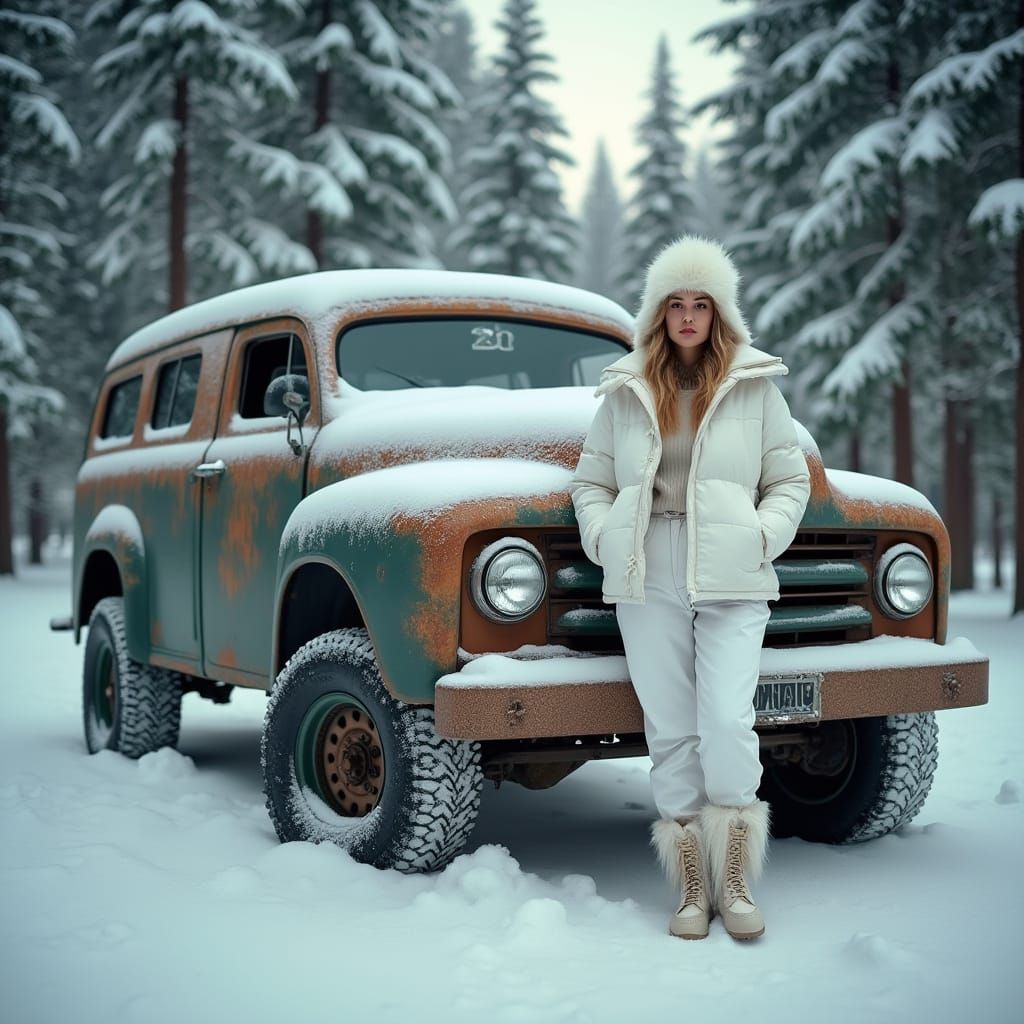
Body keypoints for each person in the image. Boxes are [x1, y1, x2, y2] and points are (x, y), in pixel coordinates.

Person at [569, 235, 811, 941]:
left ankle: (735, 881)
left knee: (728, 723)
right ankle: (691, 887)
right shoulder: (625, 390)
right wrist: (604, 534)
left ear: (719, 313)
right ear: (657, 313)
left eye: (700, 303)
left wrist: (762, 534)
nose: (686, 315)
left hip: (734, 571)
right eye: (675, 303)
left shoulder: (755, 385)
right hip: (650, 570)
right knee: (672, 732)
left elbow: (788, 478)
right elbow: (592, 482)